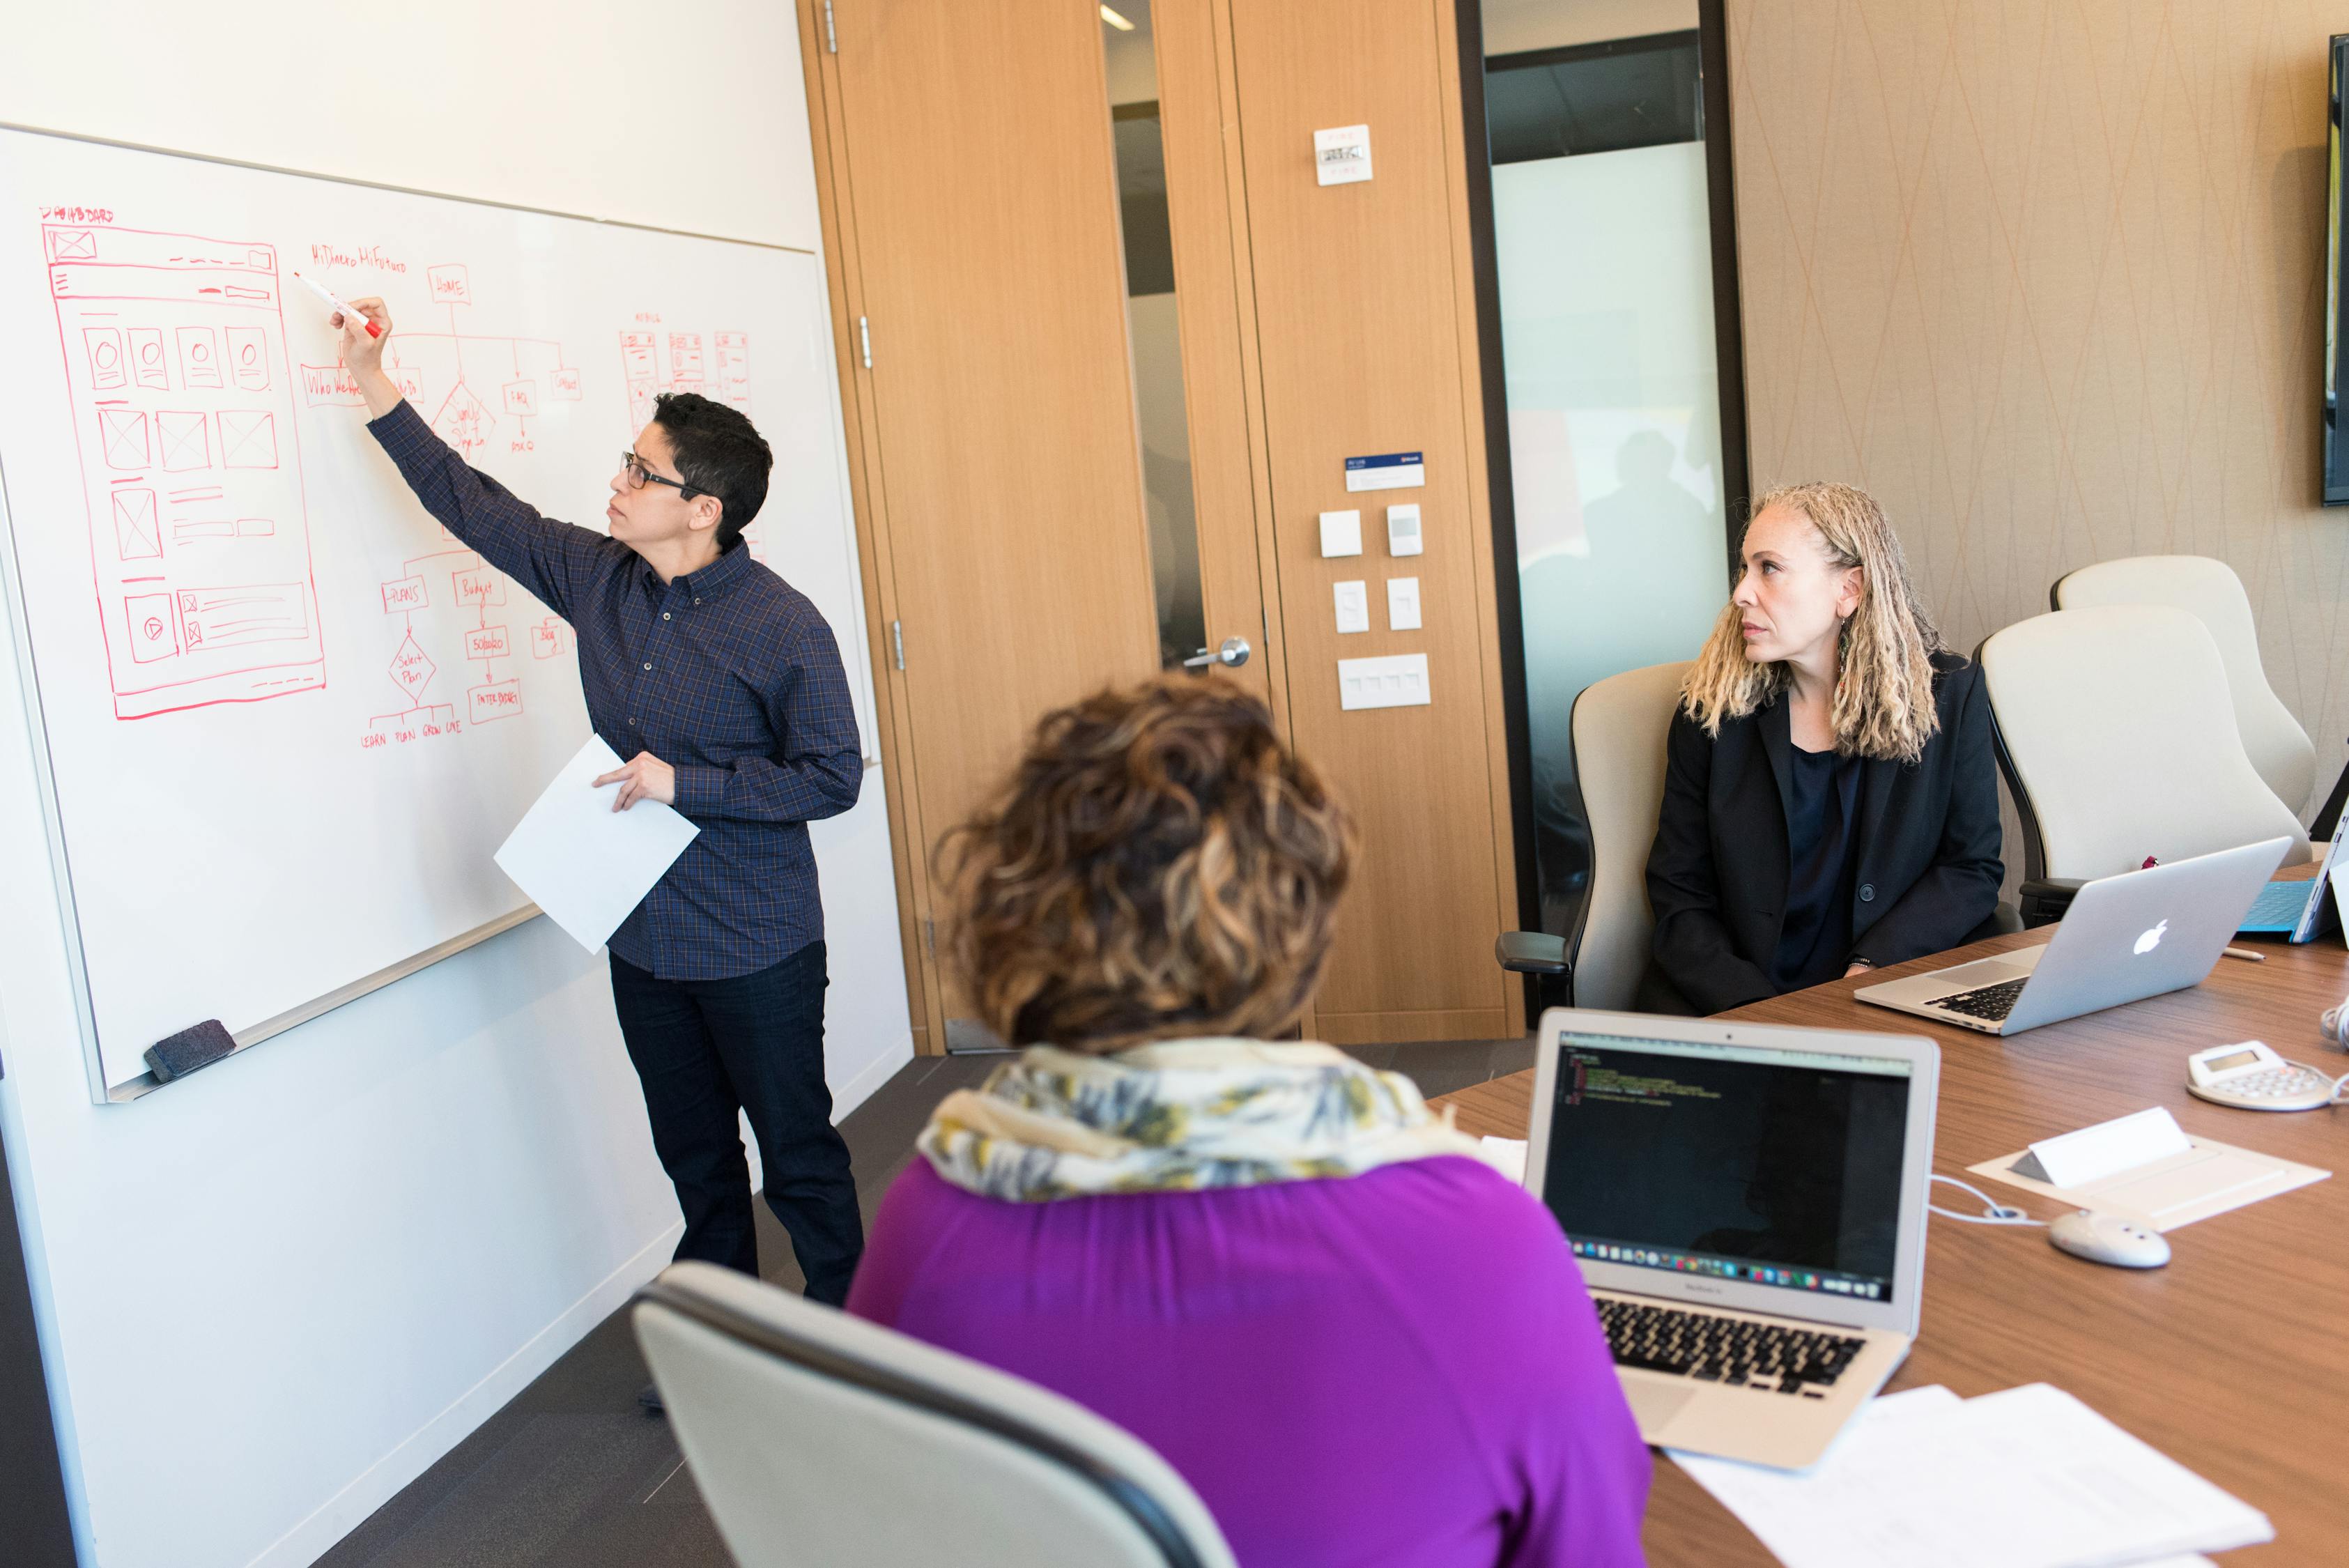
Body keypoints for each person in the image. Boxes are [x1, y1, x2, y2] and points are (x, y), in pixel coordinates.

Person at [848, 677, 1648, 1567]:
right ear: (1297, 919)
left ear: (1012, 915)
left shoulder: (928, 1218)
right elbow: (1590, 1545)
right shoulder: (1478, 1243)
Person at [328, 300, 867, 1330]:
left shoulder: (782, 625)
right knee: (695, 1154)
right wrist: (370, 377)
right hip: (646, 934)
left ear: (703, 507)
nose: (617, 483)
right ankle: (725, 1339)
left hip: (757, 940)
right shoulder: (598, 579)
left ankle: (855, 1336)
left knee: (795, 1149)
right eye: (627, 461)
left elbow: (833, 777)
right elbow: (472, 504)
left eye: (641, 471)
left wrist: (687, 783)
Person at [1642, 481, 2001, 1015]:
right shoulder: (1711, 711)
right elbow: (1679, 891)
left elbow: (1969, 868)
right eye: (1744, 568)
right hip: (1733, 1004)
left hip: (1887, 992)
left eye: (1768, 568)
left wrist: (1870, 972)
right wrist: (1763, 1013)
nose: (1742, 592)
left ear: (1849, 590)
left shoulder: (1947, 697)